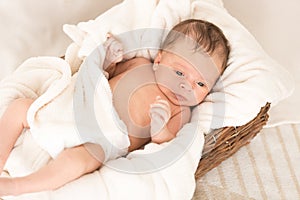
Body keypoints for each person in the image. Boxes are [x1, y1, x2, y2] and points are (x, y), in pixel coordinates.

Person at [0, 19, 230, 196]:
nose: (185, 86)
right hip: (78, 107)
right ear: (159, 60)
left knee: (78, 162)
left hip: (103, 138)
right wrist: (109, 59)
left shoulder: (181, 110)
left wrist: (159, 128)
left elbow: (165, 140)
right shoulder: (140, 65)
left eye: (200, 83)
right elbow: (105, 74)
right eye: (179, 72)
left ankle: (18, 186)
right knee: (21, 108)